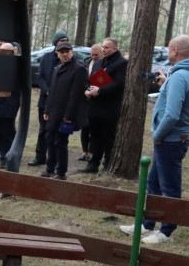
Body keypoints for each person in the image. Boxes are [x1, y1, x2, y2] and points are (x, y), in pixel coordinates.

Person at [120, 35, 189, 244]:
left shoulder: (180, 76)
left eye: (169, 49)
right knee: (153, 182)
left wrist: (157, 135)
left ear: (175, 51)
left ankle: (166, 231)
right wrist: (166, 85)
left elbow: (172, 114)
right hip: (177, 137)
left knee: (169, 186)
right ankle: (147, 223)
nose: (168, 53)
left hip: (171, 139)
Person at [79, 37, 128, 175]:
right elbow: (91, 80)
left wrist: (100, 91)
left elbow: (119, 84)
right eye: (103, 47)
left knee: (108, 137)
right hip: (94, 106)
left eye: (107, 47)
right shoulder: (98, 63)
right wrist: (88, 91)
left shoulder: (121, 63)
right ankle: (93, 163)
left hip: (109, 107)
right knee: (94, 136)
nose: (104, 49)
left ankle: (108, 164)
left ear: (115, 48)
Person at [41, 40, 87, 180]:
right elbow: (52, 91)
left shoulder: (78, 69)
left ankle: (61, 172)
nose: (65, 54)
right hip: (53, 112)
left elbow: (76, 95)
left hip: (66, 114)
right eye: (62, 52)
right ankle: (50, 169)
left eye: (67, 52)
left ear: (72, 52)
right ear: (58, 54)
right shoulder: (57, 68)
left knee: (61, 142)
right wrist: (46, 110)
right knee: (50, 139)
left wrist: (69, 115)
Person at [29, 31, 70, 167]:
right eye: (61, 40)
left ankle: (55, 158)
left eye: (66, 40)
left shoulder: (67, 59)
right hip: (45, 101)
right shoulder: (46, 57)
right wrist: (47, 90)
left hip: (61, 102)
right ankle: (40, 156)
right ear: (55, 43)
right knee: (43, 130)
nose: (64, 42)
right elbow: (40, 77)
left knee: (58, 131)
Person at [78, 43, 103, 163]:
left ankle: (92, 152)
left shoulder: (103, 65)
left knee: (94, 129)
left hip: (97, 100)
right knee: (84, 127)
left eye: (96, 55)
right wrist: (85, 91)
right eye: (92, 55)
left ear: (102, 53)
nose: (94, 57)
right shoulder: (86, 63)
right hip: (85, 99)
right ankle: (84, 151)